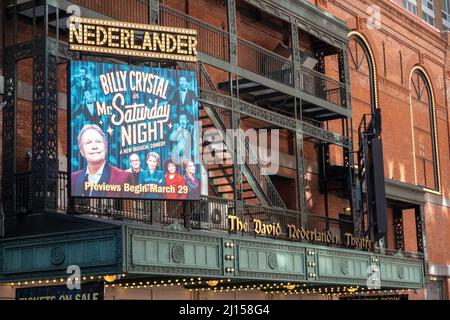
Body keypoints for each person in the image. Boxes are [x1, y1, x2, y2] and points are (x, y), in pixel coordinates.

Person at [71, 124, 134, 197]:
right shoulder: (73, 178)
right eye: (88, 142)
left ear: (105, 147)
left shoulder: (124, 177)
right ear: (82, 151)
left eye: (98, 141)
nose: (94, 147)